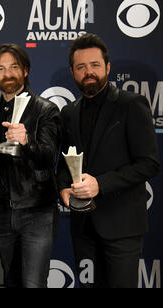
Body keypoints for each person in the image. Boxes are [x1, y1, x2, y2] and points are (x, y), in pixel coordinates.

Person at [57, 33, 160, 288]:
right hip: (83, 230)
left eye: (95, 65)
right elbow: (64, 165)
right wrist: (62, 189)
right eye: (81, 67)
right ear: (72, 72)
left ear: (108, 67)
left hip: (122, 228)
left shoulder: (131, 104)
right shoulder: (69, 113)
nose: (88, 72)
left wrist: (100, 184)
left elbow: (149, 163)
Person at [0, 44, 61, 288]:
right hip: (3, 214)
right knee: (12, 282)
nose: (7, 74)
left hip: (36, 212)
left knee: (33, 284)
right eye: (1, 68)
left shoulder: (45, 110)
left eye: (13, 67)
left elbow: (50, 157)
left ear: (26, 71)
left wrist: (27, 140)